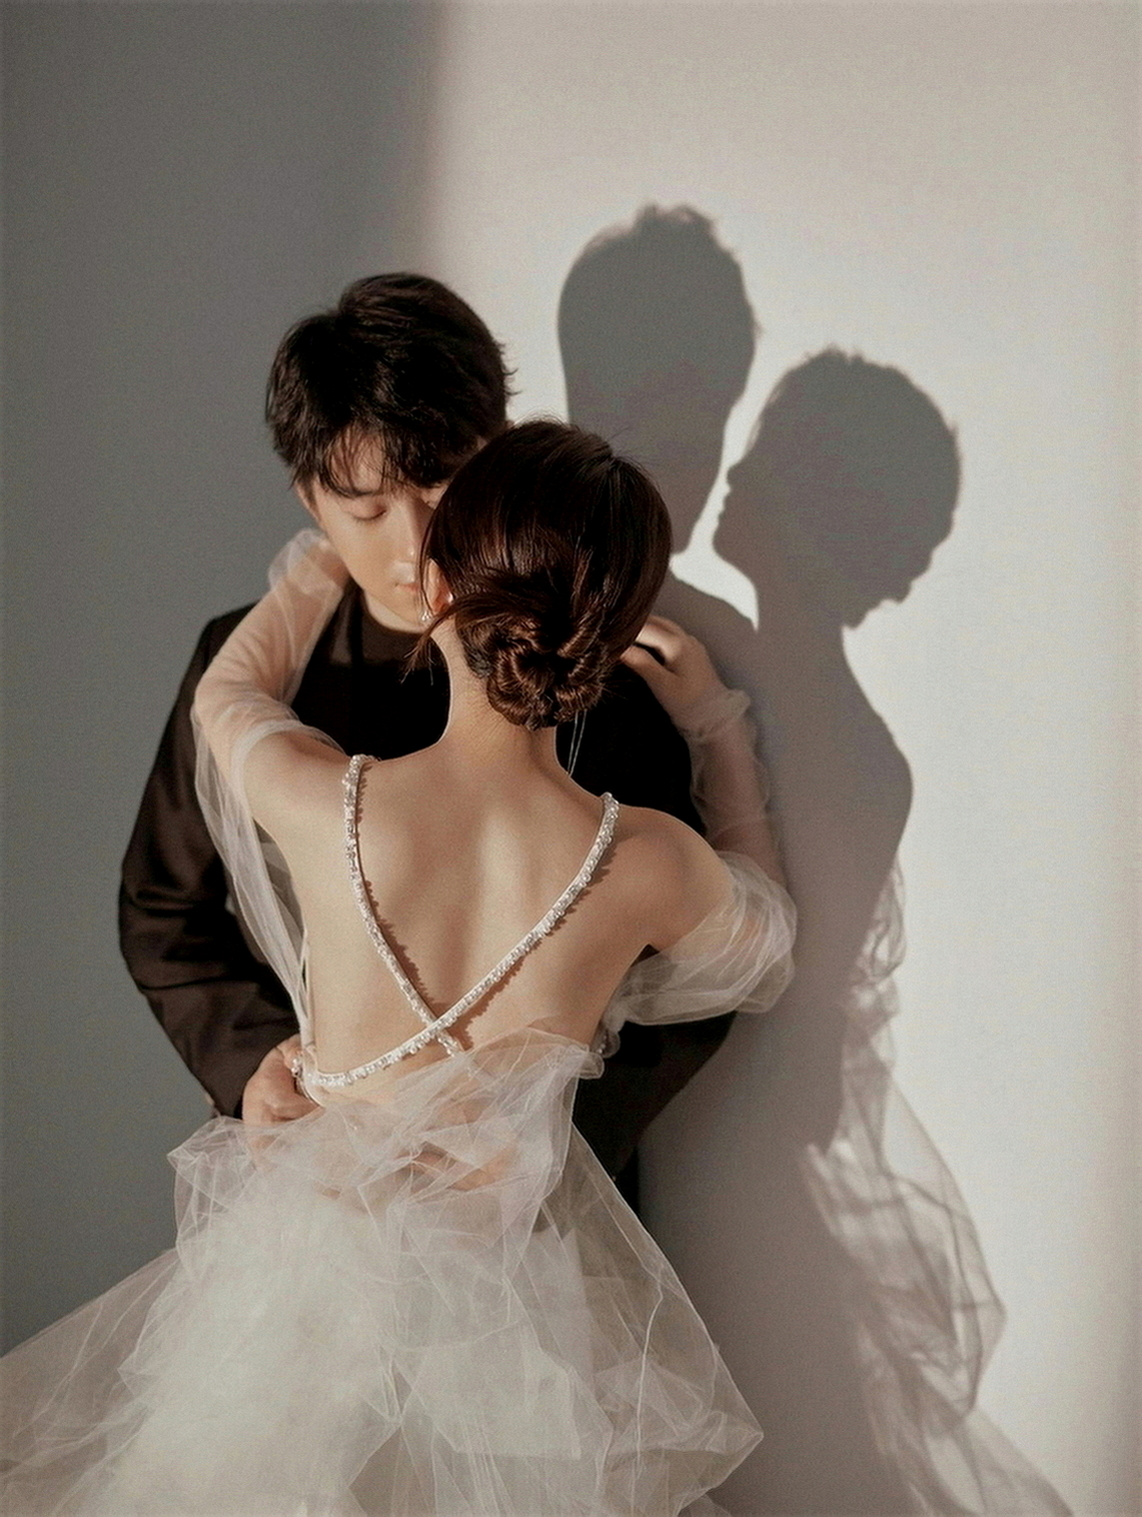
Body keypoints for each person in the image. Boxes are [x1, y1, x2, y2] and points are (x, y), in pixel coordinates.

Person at [1, 420, 796, 1516]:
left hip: (300, 1295)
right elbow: (763, 943)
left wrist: (318, 560)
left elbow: (223, 700)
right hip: (516, 1318)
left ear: (435, 588)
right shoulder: (647, 861)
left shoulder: (329, 803)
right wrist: (713, 720)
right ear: (607, 638)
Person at [119, 272, 732, 1199]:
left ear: (499, 447)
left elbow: (689, 957)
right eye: (367, 508)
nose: (413, 543)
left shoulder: (591, 655)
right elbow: (165, 909)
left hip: (542, 1212)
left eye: (442, 482)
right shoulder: (246, 660)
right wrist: (256, 1064)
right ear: (310, 499)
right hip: (314, 1183)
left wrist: (539, 1147)